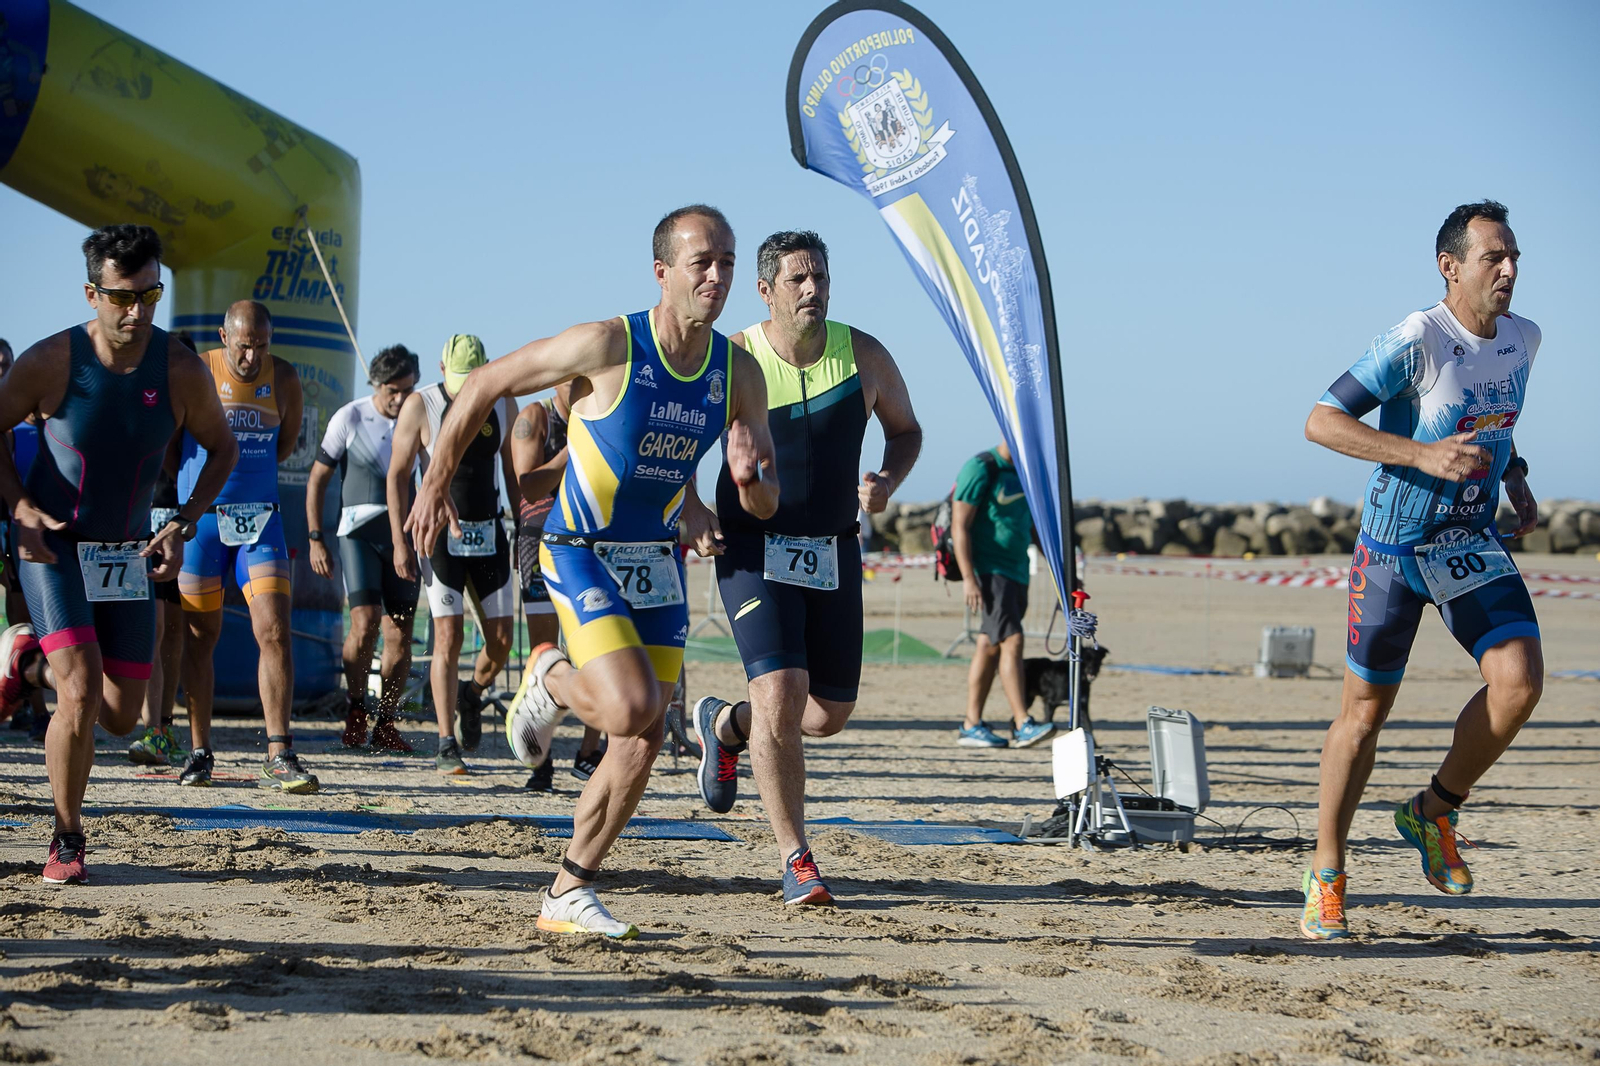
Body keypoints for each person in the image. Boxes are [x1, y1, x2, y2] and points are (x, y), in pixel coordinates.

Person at [406, 204, 778, 938]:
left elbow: (762, 499)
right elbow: (484, 384)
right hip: (580, 548)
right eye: (702, 262)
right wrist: (435, 479)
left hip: (657, 560)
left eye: (728, 263)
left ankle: (568, 890)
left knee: (643, 739)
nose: (717, 275)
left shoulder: (738, 371)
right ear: (662, 272)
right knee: (628, 707)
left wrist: (747, 483)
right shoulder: (609, 344)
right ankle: (548, 676)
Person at [1300, 201, 1543, 940]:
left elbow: (1495, 422)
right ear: (1451, 267)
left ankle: (1433, 811)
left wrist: (1515, 477)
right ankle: (1327, 872)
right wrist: (1419, 454)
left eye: (1513, 256)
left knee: (1519, 683)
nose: (1509, 269)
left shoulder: (1524, 339)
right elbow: (1321, 419)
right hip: (1395, 550)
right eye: (1493, 257)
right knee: (1364, 718)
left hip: (1467, 539)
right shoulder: (1417, 339)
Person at [0, 223, 238, 884]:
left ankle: (27, 660)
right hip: (53, 546)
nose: (137, 311)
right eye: (122, 297)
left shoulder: (181, 370)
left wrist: (184, 522)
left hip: (125, 556)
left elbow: (223, 449)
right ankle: (67, 837)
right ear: (91, 294)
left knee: (121, 715)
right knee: (79, 692)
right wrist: (19, 506)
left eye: (149, 295)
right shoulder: (51, 361)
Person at [690, 230, 921, 905]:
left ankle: (724, 726)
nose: (813, 289)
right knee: (782, 692)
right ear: (766, 290)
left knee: (824, 715)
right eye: (798, 279)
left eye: (820, 276)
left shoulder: (864, 355)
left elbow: (906, 431)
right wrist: (692, 509)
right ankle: (796, 859)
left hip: (833, 550)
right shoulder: (734, 357)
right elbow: (679, 439)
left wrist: (887, 479)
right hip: (752, 547)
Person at [173, 300, 316, 793]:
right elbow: (172, 448)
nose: (252, 357)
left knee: (274, 630)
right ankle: (199, 751)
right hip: (202, 525)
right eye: (243, 346)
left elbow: (285, 445)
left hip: (260, 522)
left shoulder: (285, 379)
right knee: (200, 636)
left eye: (261, 346)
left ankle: (280, 753)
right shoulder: (198, 372)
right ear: (224, 337)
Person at [386, 335, 519, 775]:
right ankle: (446, 742)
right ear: (442, 369)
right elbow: (397, 475)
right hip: (439, 538)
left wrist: (523, 526)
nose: (465, 390)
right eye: (459, 381)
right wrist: (400, 541)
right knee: (448, 637)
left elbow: (512, 469)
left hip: (489, 533)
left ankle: (472, 694)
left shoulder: (503, 403)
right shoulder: (420, 405)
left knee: (501, 642)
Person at [307, 344, 421, 754]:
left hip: (403, 536)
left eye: (408, 390)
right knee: (366, 621)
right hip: (358, 533)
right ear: (376, 385)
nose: (401, 399)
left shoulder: (419, 417)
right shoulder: (350, 416)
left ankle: (386, 722)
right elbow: (317, 480)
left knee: (400, 633)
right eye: (393, 391)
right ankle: (356, 708)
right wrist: (315, 537)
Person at [510, 384, 606, 791]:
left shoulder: (599, 412)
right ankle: (541, 760)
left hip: (589, 540)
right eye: (571, 379)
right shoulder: (535, 417)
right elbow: (528, 485)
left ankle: (589, 751)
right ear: (556, 382)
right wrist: (573, 450)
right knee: (544, 654)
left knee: (598, 650)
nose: (580, 385)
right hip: (539, 541)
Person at [953, 442, 1051, 749]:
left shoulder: (1027, 471)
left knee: (989, 644)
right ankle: (1022, 723)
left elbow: (1034, 526)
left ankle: (971, 724)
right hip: (990, 570)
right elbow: (959, 525)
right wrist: (969, 578)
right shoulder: (982, 467)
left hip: (1017, 570)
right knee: (1012, 639)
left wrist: (1060, 569)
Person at [0, 337, 49, 742]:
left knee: (37, 626)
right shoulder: (10, 432)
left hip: (50, 541)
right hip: (14, 535)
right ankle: (33, 708)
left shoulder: (57, 427)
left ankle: (38, 710)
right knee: (21, 625)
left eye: (7, 365)